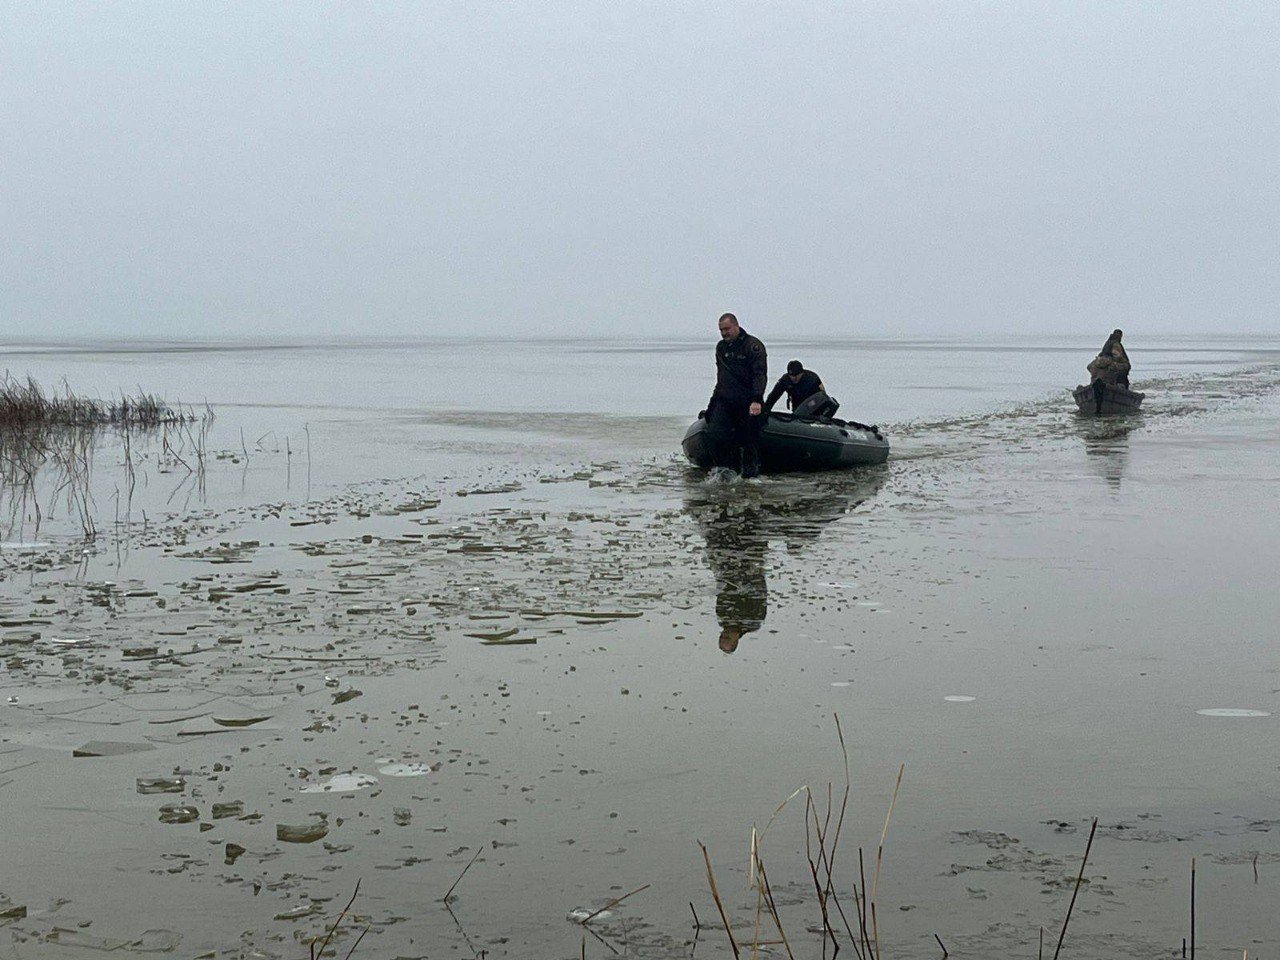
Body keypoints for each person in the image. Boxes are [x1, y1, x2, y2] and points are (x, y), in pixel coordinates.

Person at [702, 313, 768, 477]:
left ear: (736, 326)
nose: (724, 333)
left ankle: (750, 477)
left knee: (749, 441)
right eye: (721, 330)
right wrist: (711, 406)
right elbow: (721, 378)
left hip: (747, 401)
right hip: (725, 400)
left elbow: (759, 374)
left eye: (727, 329)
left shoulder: (753, 346)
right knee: (715, 434)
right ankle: (724, 473)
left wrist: (757, 399)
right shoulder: (721, 348)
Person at [764, 360, 839, 419]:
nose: (794, 378)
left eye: (797, 375)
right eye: (792, 376)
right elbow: (773, 396)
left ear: (802, 373)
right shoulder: (785, 380)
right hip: (798, 408)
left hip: (814, 406)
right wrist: (765, 410)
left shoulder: (812, 378)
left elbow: (822, 395)